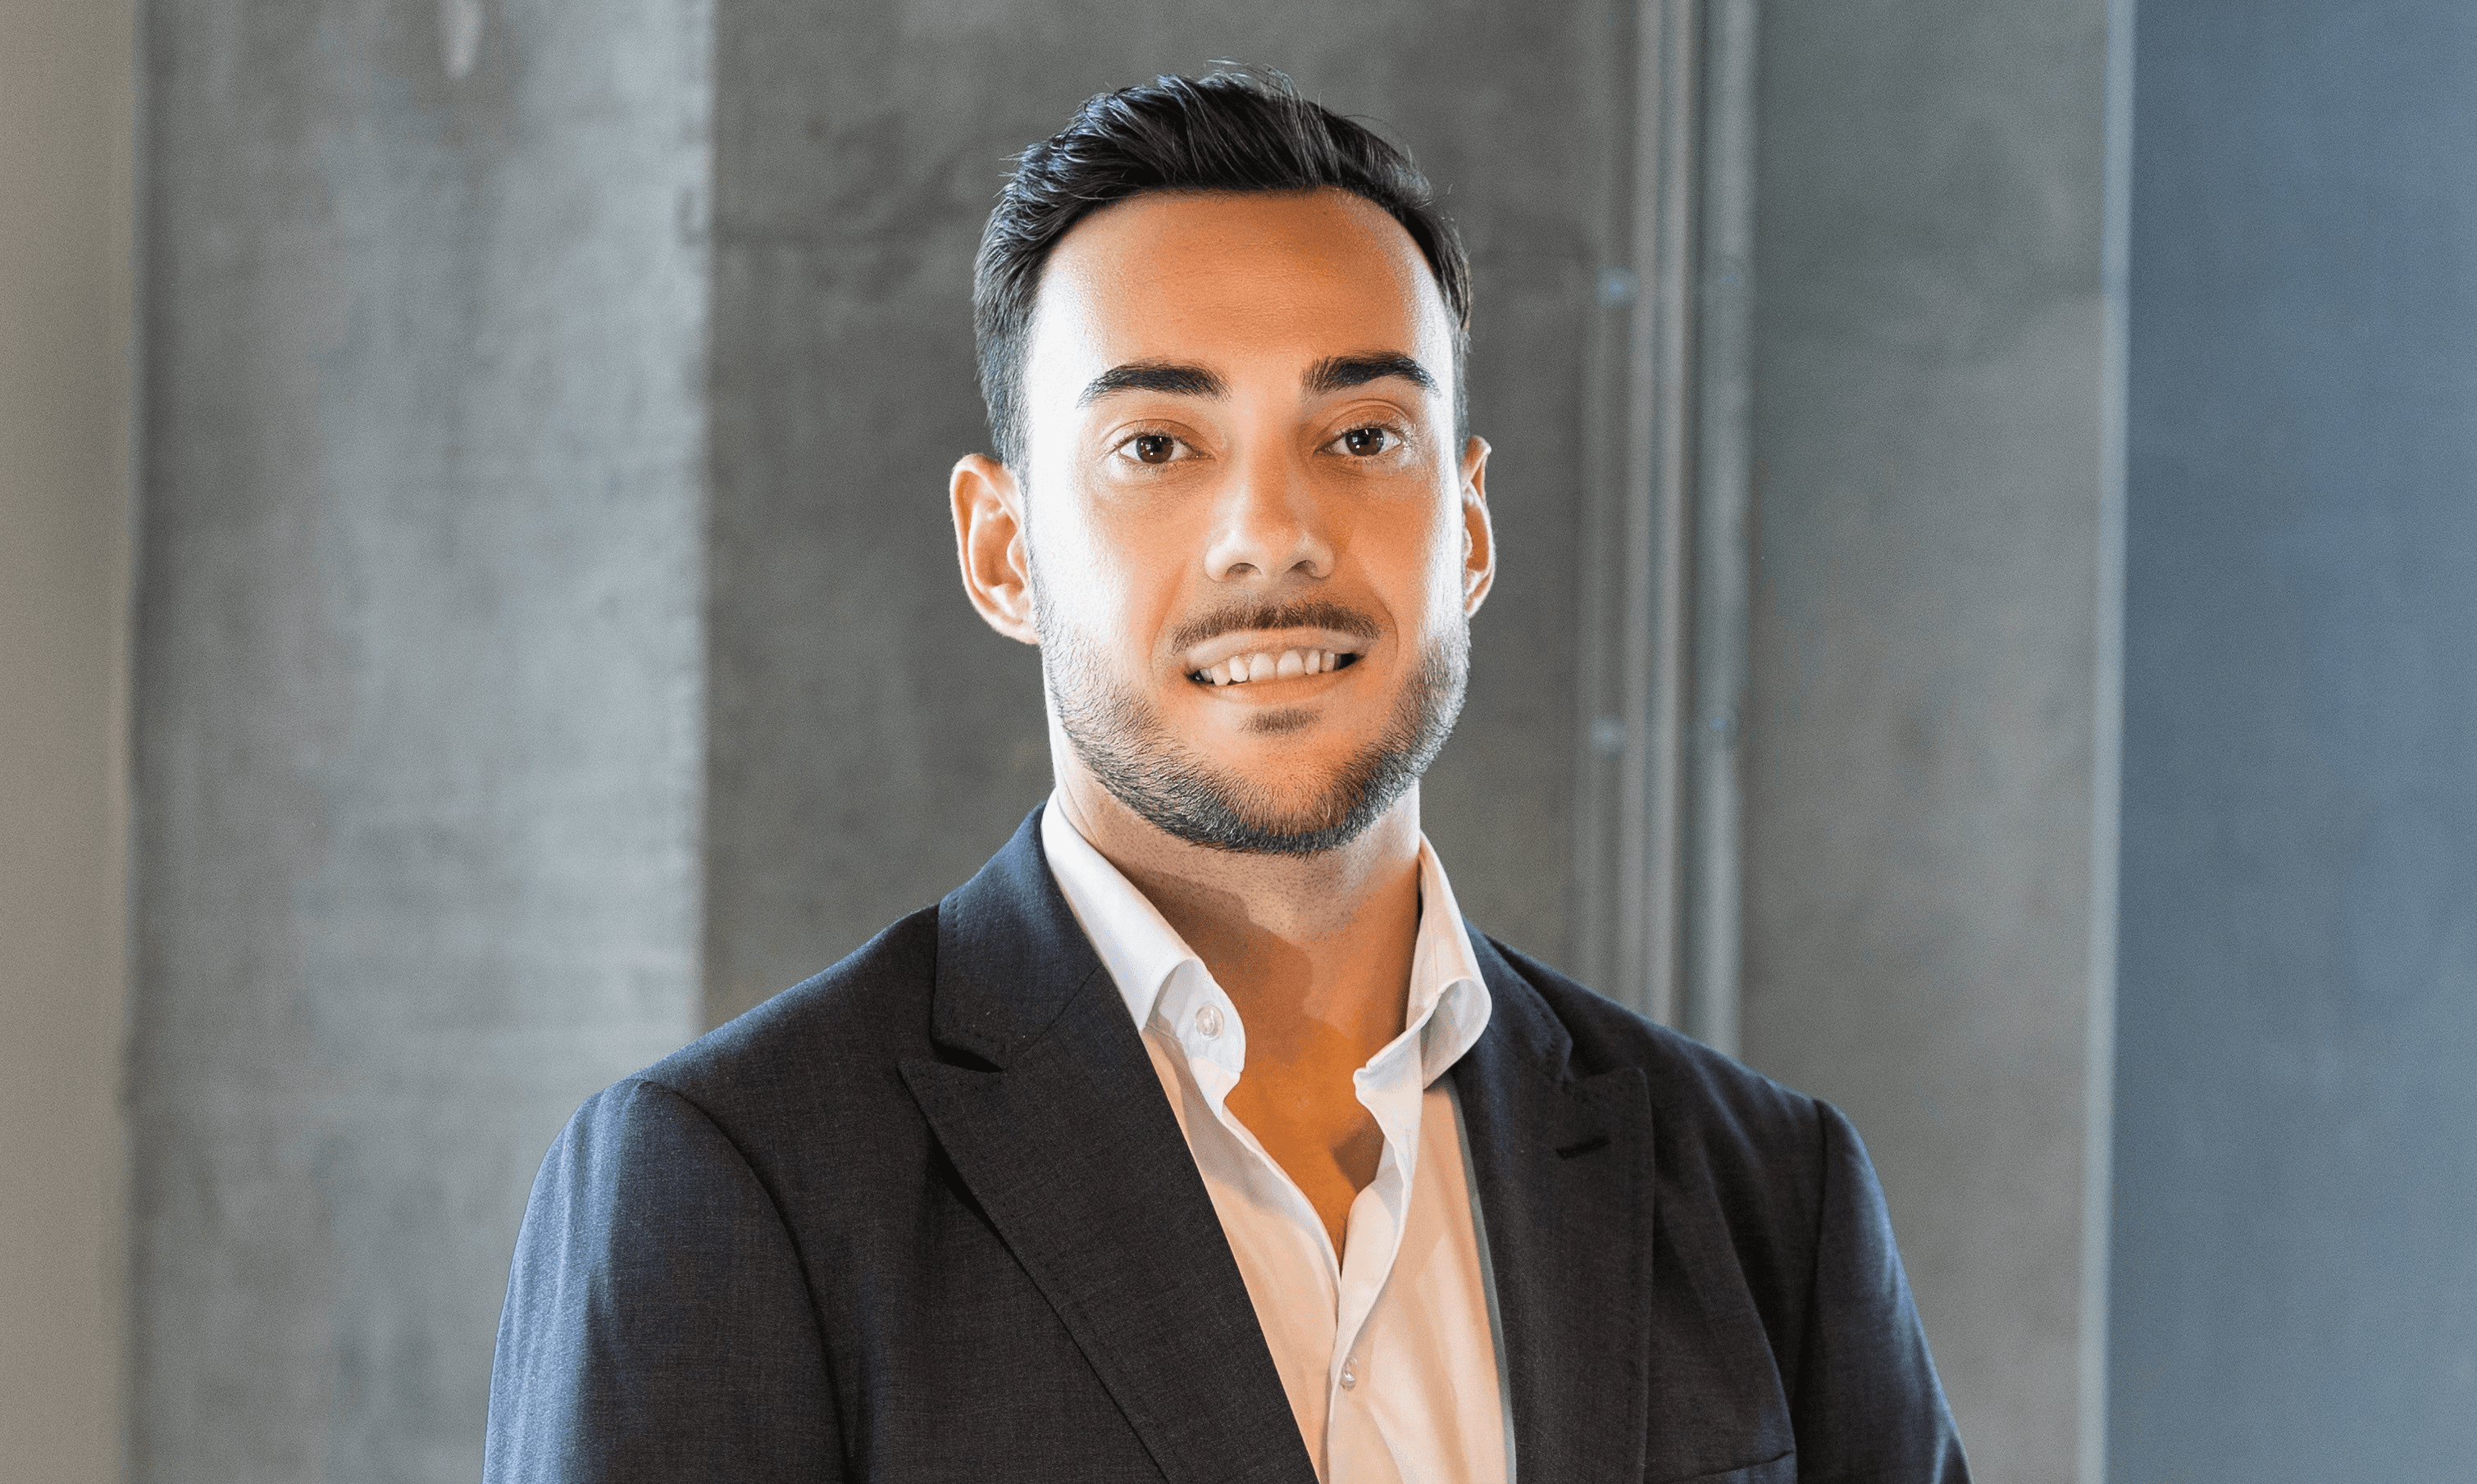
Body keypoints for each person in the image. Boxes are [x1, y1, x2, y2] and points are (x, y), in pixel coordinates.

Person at [483, 71, 1968, 1483]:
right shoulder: (737, 1180)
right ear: (1002, 549)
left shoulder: (1771, 1198)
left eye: (1363, 434)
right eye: (1157, 445)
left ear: (1468, 528)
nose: (1273, 532)